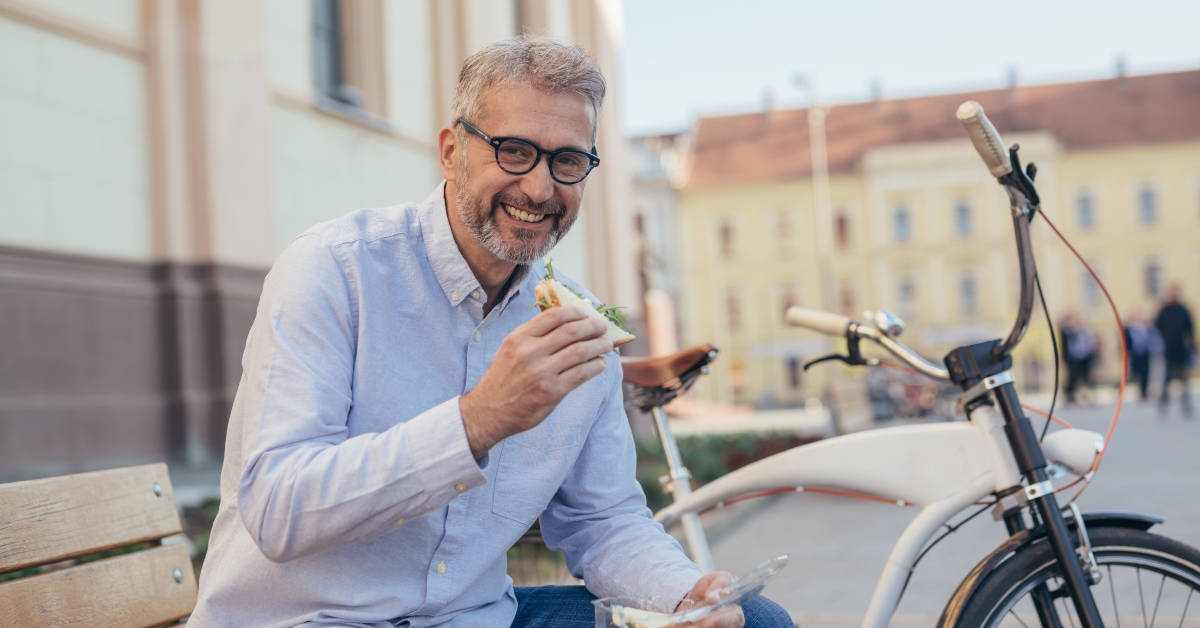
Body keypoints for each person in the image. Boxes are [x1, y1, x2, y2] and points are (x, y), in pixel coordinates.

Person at [188, 37, 791, 628]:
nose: (539, 187)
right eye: (513, 150)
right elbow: (277, 508)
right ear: (452, 152)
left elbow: (603, 520)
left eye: (568, 160)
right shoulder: (333, 270)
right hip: (309, 618)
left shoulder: (577, 323)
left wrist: (683, 593)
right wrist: (478, 420)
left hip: (473, 616)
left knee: (756, 621)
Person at [1155, 285, 1195, 417]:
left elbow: (1190, 329)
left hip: (1181, 349)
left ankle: (1186, 405)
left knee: (1184, 379)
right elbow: (1156, 327)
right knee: (1167, 379)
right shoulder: (1164, 310)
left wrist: (1192, 346)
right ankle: (1163, 404)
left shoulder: (1184, 310)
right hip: (1168, 349)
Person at [1061, 314, 1099, 404]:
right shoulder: (1068, 332)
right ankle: (1070, 395)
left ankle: (1087, 395)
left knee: (1087, 376)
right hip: (1074, 357)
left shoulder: (1087, 330)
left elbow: (1092, 341)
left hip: (1086, 356)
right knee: (1073, 377)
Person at [1123, 312, 1161, 401]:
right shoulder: (1128, 329)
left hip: (1145, 353)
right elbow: (1125, 341)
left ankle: (1144, 391)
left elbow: (1151, 338)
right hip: (1135, 354)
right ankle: (1139, 390)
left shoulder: (1144, 328)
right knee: (1136, 373)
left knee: (1145, 373)